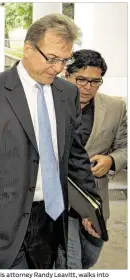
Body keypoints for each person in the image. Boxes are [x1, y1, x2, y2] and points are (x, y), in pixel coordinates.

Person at [0, 14, 102, 269]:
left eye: (64, 61)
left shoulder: (67, 94)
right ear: (28, 48)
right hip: (2, 222)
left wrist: (91, 209)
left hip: (52, 220)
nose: (58, 68)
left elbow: (75, 156)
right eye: (52, 58)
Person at [55, 49, 127, 269]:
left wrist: (111, 160)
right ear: (66, 75)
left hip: (93, 199)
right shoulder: (48, 104)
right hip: (58, 200)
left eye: (95, 82)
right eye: (81, 80)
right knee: (71, 263)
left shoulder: (116, 107)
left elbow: (125, 146)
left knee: (89, 258)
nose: (88, 87)